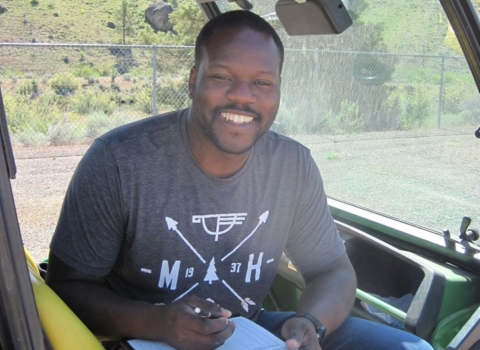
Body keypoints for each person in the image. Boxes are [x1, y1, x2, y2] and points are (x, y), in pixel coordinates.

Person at [46, 9, 434, 350]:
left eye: (262, 83)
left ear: (279, 90)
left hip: (249, 332)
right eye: (222, 76)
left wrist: (310, 323)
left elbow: (332, 271)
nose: (243, 97)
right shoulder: (120, 160)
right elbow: (68, 288)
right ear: (193, 79)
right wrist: (159, 322)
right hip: (142, 337)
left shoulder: (291, 166)